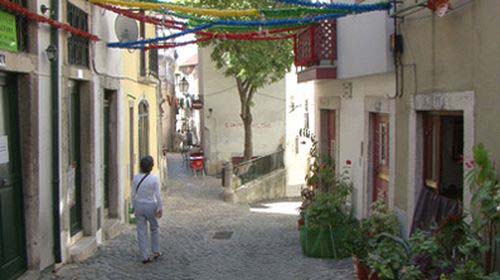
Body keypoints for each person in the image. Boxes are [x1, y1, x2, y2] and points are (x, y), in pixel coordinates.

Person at [132, 156, 163, 264]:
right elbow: (158, 195)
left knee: (141, 231)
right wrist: (160, 208)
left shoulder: (136, 178)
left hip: (139, 205)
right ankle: (156, 251)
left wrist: (133, 206)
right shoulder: (154, 179)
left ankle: (144, 256)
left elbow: (133, 194)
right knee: (154, 228)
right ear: (151, 167)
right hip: (151, 205)